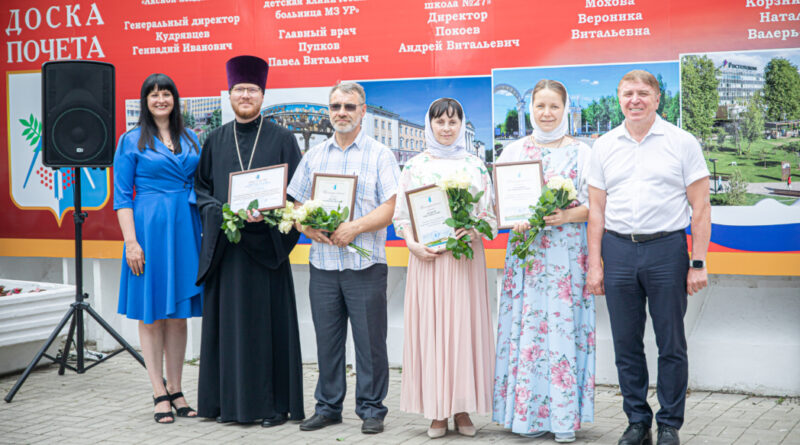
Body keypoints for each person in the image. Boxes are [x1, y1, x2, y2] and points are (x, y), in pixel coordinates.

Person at [585, 70, 711, 445]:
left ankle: (669, 423)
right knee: (626, 343)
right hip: (618, 250)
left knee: (671, 342)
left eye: (643, 93)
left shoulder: (682, 142)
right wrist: (595, 263)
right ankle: (638, 422)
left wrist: (698, 262)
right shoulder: (604, 146)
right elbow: (596, 210)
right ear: (619, 98)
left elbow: (701, 206)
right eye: (628, 94)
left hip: (666, 251)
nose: (635, 100)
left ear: (657, 99)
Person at [194, 55, 305, 426]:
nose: (245, 95)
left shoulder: (283, 138)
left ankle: (274, 407)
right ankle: (225, 404)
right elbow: (201, 192)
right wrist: (224, 211)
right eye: (239, 89)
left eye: (252, 90)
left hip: (267, 255)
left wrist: (269, 217)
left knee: (267, 331)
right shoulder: (213, 140)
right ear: (229, 93)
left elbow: (296, 194)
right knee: (230, 331)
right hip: (228, 254)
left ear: (262, 93)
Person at [287, 82, 400, 435]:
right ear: (329, 111)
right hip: (323, 264)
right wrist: (306, 226)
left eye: (349, 107)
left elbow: (391, 207)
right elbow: (294, 204)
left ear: (362, 111)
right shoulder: (314, 156)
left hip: (365, 265)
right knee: (328, 340)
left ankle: (371, 408)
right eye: (335, 106)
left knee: (370, 342)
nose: (341, 113)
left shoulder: (380, 154)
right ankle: (328, 407)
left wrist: (354, 228)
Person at [492, 80, 594, 444]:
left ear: (565, 108)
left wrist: (567, 217)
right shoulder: (514, 151)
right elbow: (498, 203)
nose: (547, 114)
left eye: (554, 106)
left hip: (566, 257)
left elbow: (596, 207)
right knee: (529, 329)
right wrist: (512, 216)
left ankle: (564, 417)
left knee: (564, 330)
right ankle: (527, 415)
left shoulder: (582, 153)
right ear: (531, 109)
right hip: (527, 256)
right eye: (541, 107)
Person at [393, 98, 497, 439]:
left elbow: (492, 218)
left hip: (466, 260)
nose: (447, 128)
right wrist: (411, 244)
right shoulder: (415, 167)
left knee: (464, 330)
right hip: (428, 260)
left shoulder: (475, 166)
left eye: (454, 122)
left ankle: (463, 407)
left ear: (462, 126)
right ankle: (437, 411)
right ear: (430, 125)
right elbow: (402, 216)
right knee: (433, 330)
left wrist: (475, 227)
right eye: (440, 122)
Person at [113, 73, 202, 424]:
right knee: (152, 315)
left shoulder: (192, 137)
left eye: (166, 94)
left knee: (178, 315)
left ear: (175, 99)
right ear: (145, 102)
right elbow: (122, 196)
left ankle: (178, 389)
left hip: (185, 229)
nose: (161, 99)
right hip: (148, 231)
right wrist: (130, 242)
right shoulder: (130, 140)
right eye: (154, 95)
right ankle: (158, 391)